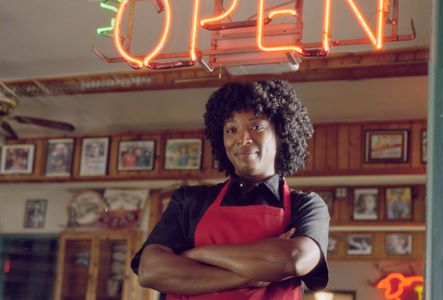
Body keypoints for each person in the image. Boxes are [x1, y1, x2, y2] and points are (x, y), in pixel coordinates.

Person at [131, 80, 330, 299]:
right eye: (231, 129)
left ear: (281, 134)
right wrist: (252, 276)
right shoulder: (189, 200)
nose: (242, 139)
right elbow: (151, 271)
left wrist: (196, 255)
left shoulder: (306, 205)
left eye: (256, 126)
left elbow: (293, 260)